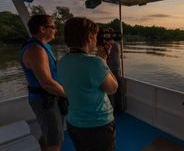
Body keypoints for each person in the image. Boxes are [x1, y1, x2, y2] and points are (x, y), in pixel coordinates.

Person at [58, 17, 118, 151]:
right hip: (98, 127)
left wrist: (100, 59)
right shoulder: (95, 63)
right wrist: (102, 60)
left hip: (74, 124)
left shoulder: (62, 62)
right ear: (90, 37)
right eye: (96, 36)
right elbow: (112, 88)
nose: (97, 40)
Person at [19, 14, 66, 151]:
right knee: (54, 142)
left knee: (49, 135)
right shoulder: (35, 50)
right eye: (53, 27)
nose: (55, 30)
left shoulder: (44, 46)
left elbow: (51, 69)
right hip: (44, 100)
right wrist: (69, 94)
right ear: (42, 29)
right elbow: (47, 83)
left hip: (50, 98)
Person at [106, 28, 125, 115]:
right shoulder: (115, 44)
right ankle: (118, 109)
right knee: (115, 92)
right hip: (113, 70)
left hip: (114, 70)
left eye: (108, 34)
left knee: (114, 92)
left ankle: (116, 109)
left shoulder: (111, 45)